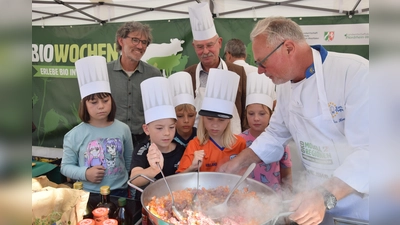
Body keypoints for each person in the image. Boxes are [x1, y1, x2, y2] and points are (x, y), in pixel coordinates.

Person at [218, 17, 369, 224]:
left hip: (360, 205)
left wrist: (323, 196)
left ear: (288, 48)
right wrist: (236, 163)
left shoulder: (355, 73)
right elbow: (275, 134)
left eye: (263, 62)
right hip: (312, 199)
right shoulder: (285, 86)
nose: (260, 71)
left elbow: (370, 152)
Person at [61, 56, 133, 198]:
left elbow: (129, 161)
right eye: (93, 102)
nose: (101, 106)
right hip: (88, 193)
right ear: (84, 105)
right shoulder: (74, 135)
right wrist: (85, 173)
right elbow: (65, 167)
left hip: (120, 191)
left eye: (105, 101)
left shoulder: (123, 129)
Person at [185, 2, 247, 134]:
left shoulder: (237, 72)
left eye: (209, 45)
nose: (206, 51)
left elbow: (245, 112)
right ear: (194, 47)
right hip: (198, 144)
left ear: (219, 42)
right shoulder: (188, 75)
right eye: (200, 47)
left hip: (232, 142)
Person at [176, 69, 246, 173]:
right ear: (202, 118)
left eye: (221, 120)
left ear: (228, 121)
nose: (215, 125)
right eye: (209, 119)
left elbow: (243, 175)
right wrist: (192, 167)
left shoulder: (239, 144)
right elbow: (179, 180)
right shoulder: (195, 145)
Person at [107, 21, 162, 149]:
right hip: (110, 140)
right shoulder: (105, 72)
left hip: (143, 142)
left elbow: (158, 111)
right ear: (121, 41)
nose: (140, 46)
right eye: (135, 40)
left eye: (144, 42)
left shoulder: (153, 74)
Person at [129, 77, 185, 193]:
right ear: (146, 129)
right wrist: (153, 170)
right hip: (148, 203)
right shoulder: (142, 150)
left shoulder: (181, 150)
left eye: (171, 127)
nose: (167, 133)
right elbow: (134, 179)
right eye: (159, 128)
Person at [240, 72, 292, 194]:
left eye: (262, 114)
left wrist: (288, 195)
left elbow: (287, 174)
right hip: (247, 197)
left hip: (273, 196)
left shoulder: (280, 142)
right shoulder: (240, 140)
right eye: (251, 114)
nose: (256, 118)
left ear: (271, 115)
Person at [224, 38, 277, 110]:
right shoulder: (262, 74)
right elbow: (274, 102)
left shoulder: (225, 74)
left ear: (228, 55)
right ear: (245, 56)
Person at [168, 72, 197, 147]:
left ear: (195, 114)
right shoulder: (168, 138)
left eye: (190, 115)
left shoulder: (201, 136)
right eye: (180, 116)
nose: (186, 120)